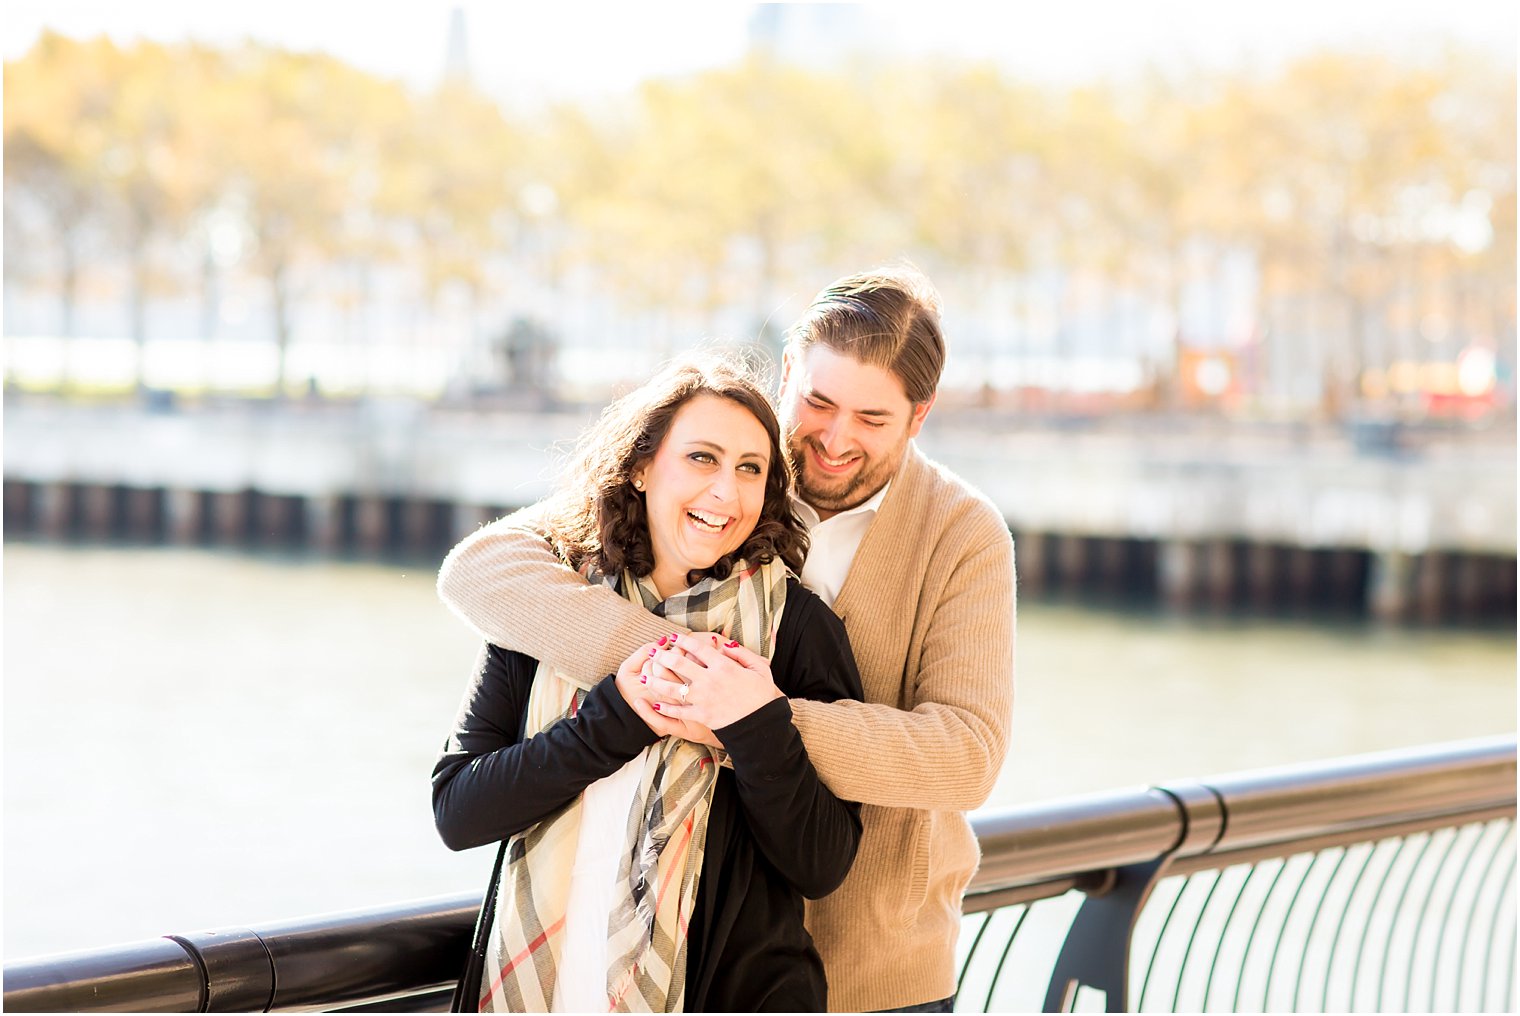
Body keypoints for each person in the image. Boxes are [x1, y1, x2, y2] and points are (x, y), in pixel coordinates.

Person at [438, 266, 1016, 1013]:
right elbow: (481, 569)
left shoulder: (961, 534)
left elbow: (967, 755)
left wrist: (750, 713)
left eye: (872, 419)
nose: (835, 440)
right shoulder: (711, 460)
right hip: (661, 953)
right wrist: (679, 671)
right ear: (787, 373)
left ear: (920, 415)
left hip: (876, 966)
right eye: (818, 402)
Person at [432, 356, 864, 1012]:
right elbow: (460, 812)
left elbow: (822, 863)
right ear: (641, 467)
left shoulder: (798, 629)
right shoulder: (554, 606)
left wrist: (752, 724)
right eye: (701, 459)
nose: (727, 492)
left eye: (751, 468)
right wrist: (619, 717)